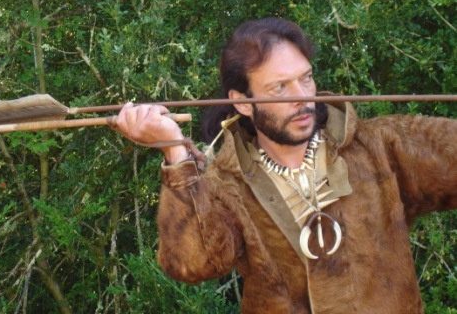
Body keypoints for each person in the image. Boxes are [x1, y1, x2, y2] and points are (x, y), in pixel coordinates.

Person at [114, 18, 457, 313]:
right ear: (243, 103)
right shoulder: (225, 185)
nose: (303, 96)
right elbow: (191, 263)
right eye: (279, 87)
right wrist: (174, 150)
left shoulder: (381, 147)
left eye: (305, 78)